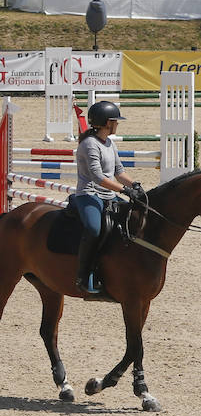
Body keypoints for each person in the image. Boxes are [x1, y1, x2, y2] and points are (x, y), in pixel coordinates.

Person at [73, 101, 145, 294]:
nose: (117, 124)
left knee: (134, 218)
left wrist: (134, 186)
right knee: (94, 228)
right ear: (106, 122)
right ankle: (83, 274)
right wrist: (123, 190)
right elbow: (98, 178)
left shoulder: (109, 143)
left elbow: (119, 171)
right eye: (115, 121)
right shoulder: (89, 144)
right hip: (88, 194)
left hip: (108, 195)